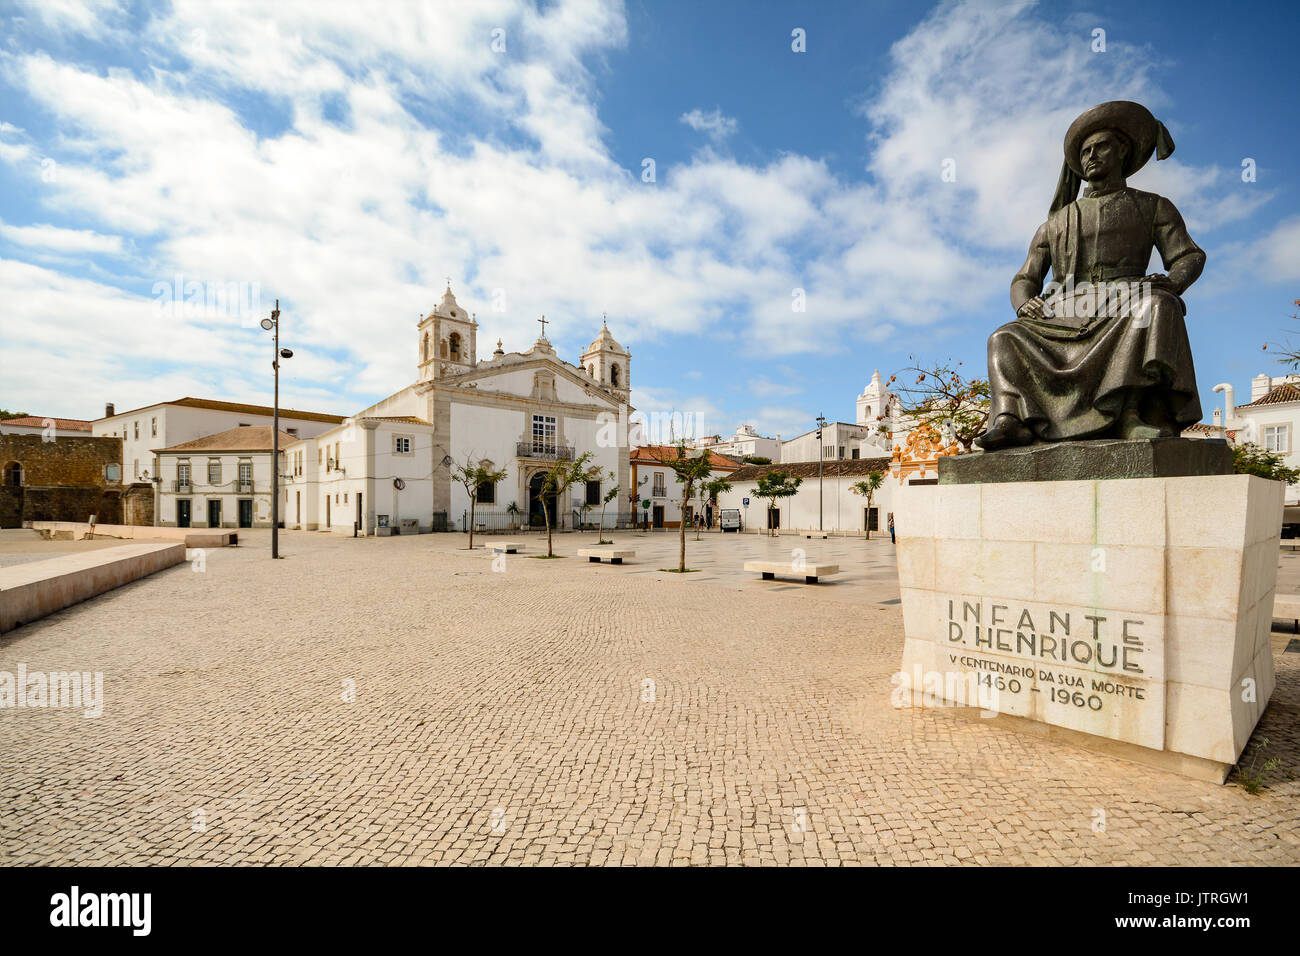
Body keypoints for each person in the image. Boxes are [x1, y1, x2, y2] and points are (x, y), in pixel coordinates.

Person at [977, 101, 1205, 450]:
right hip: (1065, 309)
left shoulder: (1153, 206)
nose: (1092, 156)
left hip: (1127, 301)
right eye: (1085, 151)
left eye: (1101, 147)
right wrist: (1025, 306)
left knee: (1158, 306)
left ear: (1123, 151)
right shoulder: (1056, 223)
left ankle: (1128, 414)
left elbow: (1188, 255)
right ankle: (1011, 419)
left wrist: (1173, 282)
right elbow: (1025, 278)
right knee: (1003, 337)